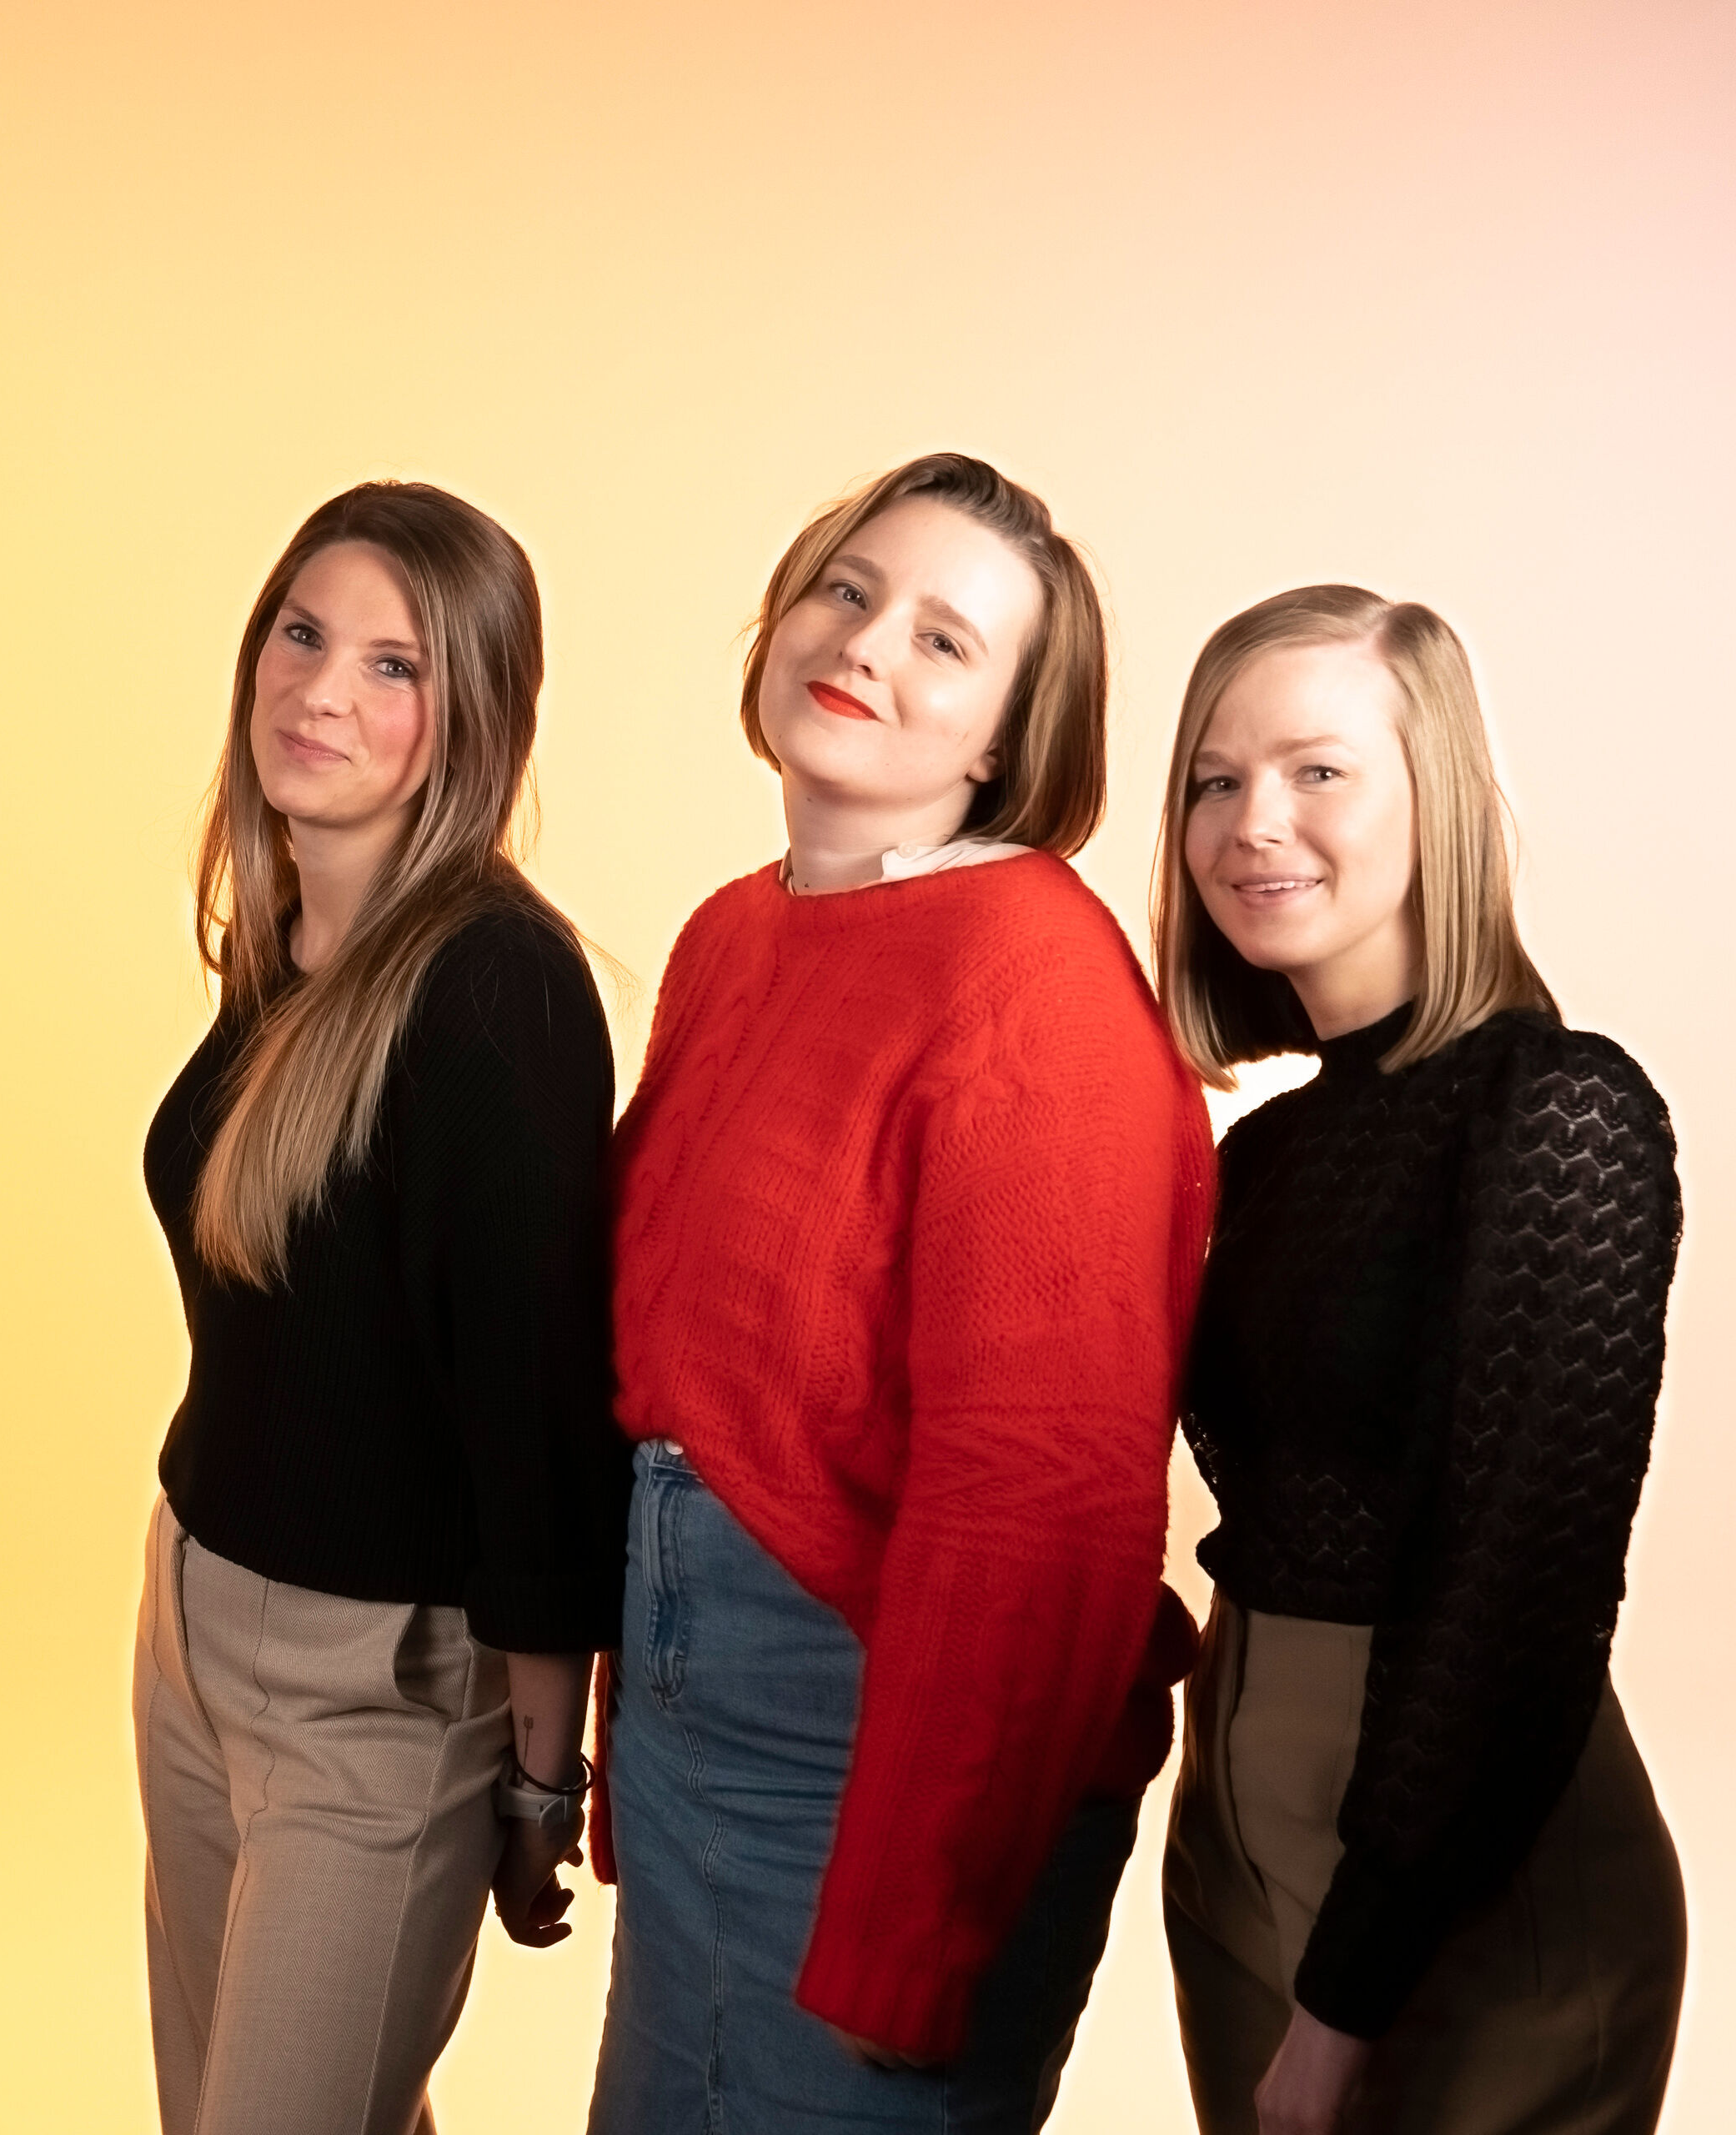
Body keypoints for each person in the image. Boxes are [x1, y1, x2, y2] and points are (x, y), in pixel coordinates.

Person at [587, 452, 1213, 2131]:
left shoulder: (1035, 984)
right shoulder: (735, 933)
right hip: (701, 1732)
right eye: (848, 591)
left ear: (1008, 734)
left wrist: (916, 1929)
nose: (866, 644)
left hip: (880, 1754)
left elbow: (1043, 1499)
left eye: (946, 639)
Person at [1156, 586, 1685, 2135]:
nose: (1254, 823)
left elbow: (1517, 1590)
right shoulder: (1264, 1156)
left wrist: (1344, 2004)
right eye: (1214, 780)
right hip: (1236, 1823)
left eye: (1318, 770)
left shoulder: (1561, 1110)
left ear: (1433, 798)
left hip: (1464, 1873)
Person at [133, 480, 628, 2135]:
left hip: (379, 1687)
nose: (320, 690)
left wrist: (542, 1772)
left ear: (470, 717)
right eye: (301, 633)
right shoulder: (285, 943)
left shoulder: (498, 987)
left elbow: (537, 1406)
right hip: (193, 1624)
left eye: (393, 664)